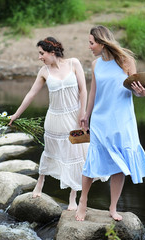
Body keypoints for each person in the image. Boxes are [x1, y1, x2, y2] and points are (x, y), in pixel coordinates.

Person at [75, 25, 145, 221]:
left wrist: (142, 91)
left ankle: (112, 208)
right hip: (101, 120)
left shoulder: (127, 61)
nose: (89, 46)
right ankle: (83, 201)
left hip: (122, 120)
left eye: (91, 43)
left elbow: (137, 91)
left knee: (120, 166)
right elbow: (93, 92)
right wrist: (86, 114)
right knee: (91, 162)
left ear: (102, 43)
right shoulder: (95, 64)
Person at [9, 37, 88, 210]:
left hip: (75, 118)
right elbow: (31, 94)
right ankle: (40, 182)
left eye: (41, 53)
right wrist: (15, 114)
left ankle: (73, 197)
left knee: (75, 156)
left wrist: (83, 113)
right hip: (54, 120)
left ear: (52, 52)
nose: (40, 57)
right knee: (50, 151)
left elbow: (83, 90)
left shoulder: (74, 63)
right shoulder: (44, 71)